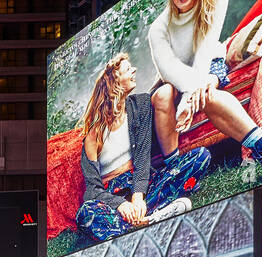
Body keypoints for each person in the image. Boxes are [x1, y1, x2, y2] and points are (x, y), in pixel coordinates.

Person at [150, 0, 262, 183]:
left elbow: (205, 53)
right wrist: (189, 95)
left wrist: (196, 92)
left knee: (208, 96)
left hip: (210, 65)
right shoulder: (158, 29)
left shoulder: (214, 3)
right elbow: (169, 69)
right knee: (162, 95)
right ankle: (176, 170)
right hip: (175, 78)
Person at [75, 53, 211, 244]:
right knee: (85, 214)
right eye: (128, 69)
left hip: (144, 185)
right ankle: (152, 216)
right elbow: (92, 189)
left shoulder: (141, 105)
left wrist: (138, 198)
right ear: (115, 82)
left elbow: (142, 159)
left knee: (200, 157)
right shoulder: (94, 134)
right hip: (113, 196)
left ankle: (135, 223)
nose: (134, 70)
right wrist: (121, 204)